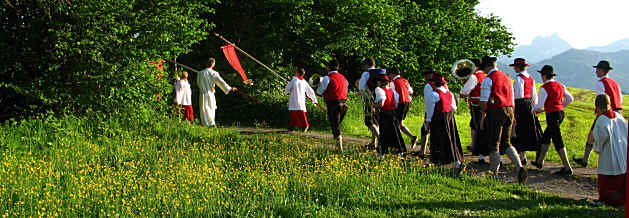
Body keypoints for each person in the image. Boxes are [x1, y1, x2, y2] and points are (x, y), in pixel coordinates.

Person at [479, 56, 528, 184]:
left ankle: (493, 174)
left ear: (487, 67)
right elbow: (511, 98)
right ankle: (520, 168)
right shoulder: (507, 77)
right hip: (509, 110)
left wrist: (484, 112)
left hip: (496, 111)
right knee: (506, 143)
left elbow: (484, 101)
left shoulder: (488, 80)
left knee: (493, 143)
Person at [574, 60, 623, 167]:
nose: (596, 71)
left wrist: (600, 114)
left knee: (592, 136)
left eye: (598, 69)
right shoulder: (615, 83)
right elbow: (621, 99)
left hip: (605, 113)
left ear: (602, 70)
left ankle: (585, 160)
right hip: (618, 113)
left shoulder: (601, 83)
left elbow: (601, 100)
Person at [531, 65, 575, 175]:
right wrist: (560, 105)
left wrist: (533, 110)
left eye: (542, 75)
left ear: (545, 76)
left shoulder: (544, 88)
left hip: (552, 115)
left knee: (557, 140)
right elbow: (570, 99)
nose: (541, 77)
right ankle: (539, 161)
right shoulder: (561, 85)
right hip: (560, 114)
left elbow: (540, 106)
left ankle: (567, 167)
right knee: (546, 137)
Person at [591, 94, 627, 208]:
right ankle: (622, 200)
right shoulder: (619, 116)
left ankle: (605, 200)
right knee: (621, 178)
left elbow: (601, 138)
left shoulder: (601, 120)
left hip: (609, 153)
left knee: (606, 180)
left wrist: (597, 148)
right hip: (622, 151)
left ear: (597, 106)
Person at [509, 58, 543, 166]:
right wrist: (535, 106)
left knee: (520, 130)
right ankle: (536, 152)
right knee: (532, 128)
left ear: (518, 67)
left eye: (515, 66)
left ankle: (523, 157)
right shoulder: (531, 78)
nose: (514, 68)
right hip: (530, 104)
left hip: (520, 104)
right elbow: (534, 94)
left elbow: (518, 94)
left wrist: (513, 105)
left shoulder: (518, 78)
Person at [425, 73, 464, 166]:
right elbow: (454, 108)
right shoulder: (449, 93)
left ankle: (438, 161)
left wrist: (427, 121)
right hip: (449, 118)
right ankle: (455, 161)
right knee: (450, 138)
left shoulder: (434, 94)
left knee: (438, 139)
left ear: (434, 83)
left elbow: (430, 109)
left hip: (438, 118)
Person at [459, 58, 487, 164]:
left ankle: (480, 155)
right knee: (478, 126)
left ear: (476, 67)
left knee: (478, 127)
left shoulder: (473, 77)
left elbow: (464, 92)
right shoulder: (485, 75)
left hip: (477, 105)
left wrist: (463, 88)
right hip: (486, 104)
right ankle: (475, 147)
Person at [316, 59, 349, 151]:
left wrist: (317, 86)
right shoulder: (344, 78)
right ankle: (337, 146)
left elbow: (319, 92)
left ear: (328, 68)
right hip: (345, 105)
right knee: (336, 125)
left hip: (334, 105)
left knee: (335, 126)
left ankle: (340, 149)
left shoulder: (327, 78)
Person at [197, 58, 238, 127]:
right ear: (213, 64)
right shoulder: (214, 73)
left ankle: (206, 124)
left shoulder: (200, 73)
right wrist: (230, 88)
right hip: (209, 93)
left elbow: (198, 83)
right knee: (210, 108)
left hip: (203, 94)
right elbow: (221, 82)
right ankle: (211, 124)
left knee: (204, 109)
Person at [373, 71, 406, 154]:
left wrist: (374, 106)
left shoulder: (379, 90)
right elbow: (396, 104)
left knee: (384, 133)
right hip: (393, 114)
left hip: (384, 114)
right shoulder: (392, 91)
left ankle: (384, 151)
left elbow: (381, 104)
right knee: (395, 132)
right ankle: (399, 150)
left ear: (381, 82)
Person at [389, 67, 417, 148]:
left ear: (393, 74)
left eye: (390, 74)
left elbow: (393, 94)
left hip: (400, 103)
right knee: (400, 124)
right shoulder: (405, 80)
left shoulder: (393, 82)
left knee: (396, 124)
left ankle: (398, 144)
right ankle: (412, 137)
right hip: (407, 102)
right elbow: (411, 91)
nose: (390, 76)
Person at [285, 68, 318, 132]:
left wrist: (288, 85)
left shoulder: (294, 80)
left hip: (295, 99)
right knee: (294, 113)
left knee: (299, 114)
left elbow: (288, 88)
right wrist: (313, 99)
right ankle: (292, 126)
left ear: (297, 73)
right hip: (300, 100)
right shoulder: (303, 81)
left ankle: (305, 125)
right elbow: (310, 91)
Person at [414, 68, 437, 156]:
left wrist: (427, 116)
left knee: (426, 129)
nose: (425, 77)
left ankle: (425, 151)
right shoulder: (438, 83)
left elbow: (429, 101)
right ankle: (423, 150)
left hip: (431, 110)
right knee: (425, 130)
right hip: (436, 110)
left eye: (426, 74)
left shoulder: (428, 86)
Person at [358, 57, 380, 149]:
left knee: (369, 121)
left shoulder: (366, 74)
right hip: (380, 100)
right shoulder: (380, 73)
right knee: (376, 122)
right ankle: (373, 143)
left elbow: (361, 87)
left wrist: (360, 93)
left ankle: (381, 140)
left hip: (369, 100)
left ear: (366, 65)